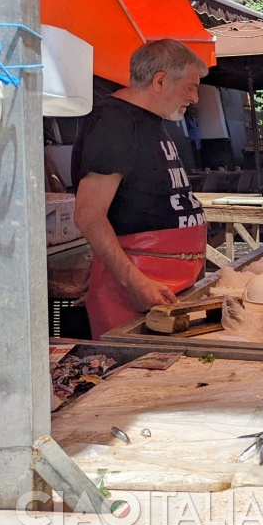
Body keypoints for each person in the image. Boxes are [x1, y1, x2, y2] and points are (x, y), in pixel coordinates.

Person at [72, 40, 212, 338]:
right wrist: (134, 282)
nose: (195, 97)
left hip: (168, 282)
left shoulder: (149, 120)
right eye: (190, 87)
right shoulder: (114, 122)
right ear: (160, 81)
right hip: (138, 290)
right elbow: (88, 215)